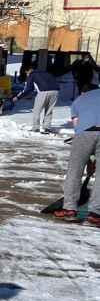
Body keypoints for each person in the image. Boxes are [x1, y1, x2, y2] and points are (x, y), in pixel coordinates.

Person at [54, 87, 100, 226]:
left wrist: (89, 158)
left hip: (85, 132)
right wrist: (93, 159)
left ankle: (69, 210)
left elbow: (77, 126)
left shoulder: (78, 100)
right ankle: (95, 214)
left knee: (75, 170)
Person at [11, 64, 60, 133]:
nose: (27, 74)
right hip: (55, 91)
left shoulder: (32, 75)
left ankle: (36, 128)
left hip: (43, 92)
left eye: (26, 73)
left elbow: (28, 89)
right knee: (49, 110)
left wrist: (18, 97)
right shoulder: (46, 72)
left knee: (37, 110)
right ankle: (47, 127)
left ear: (28, 71)